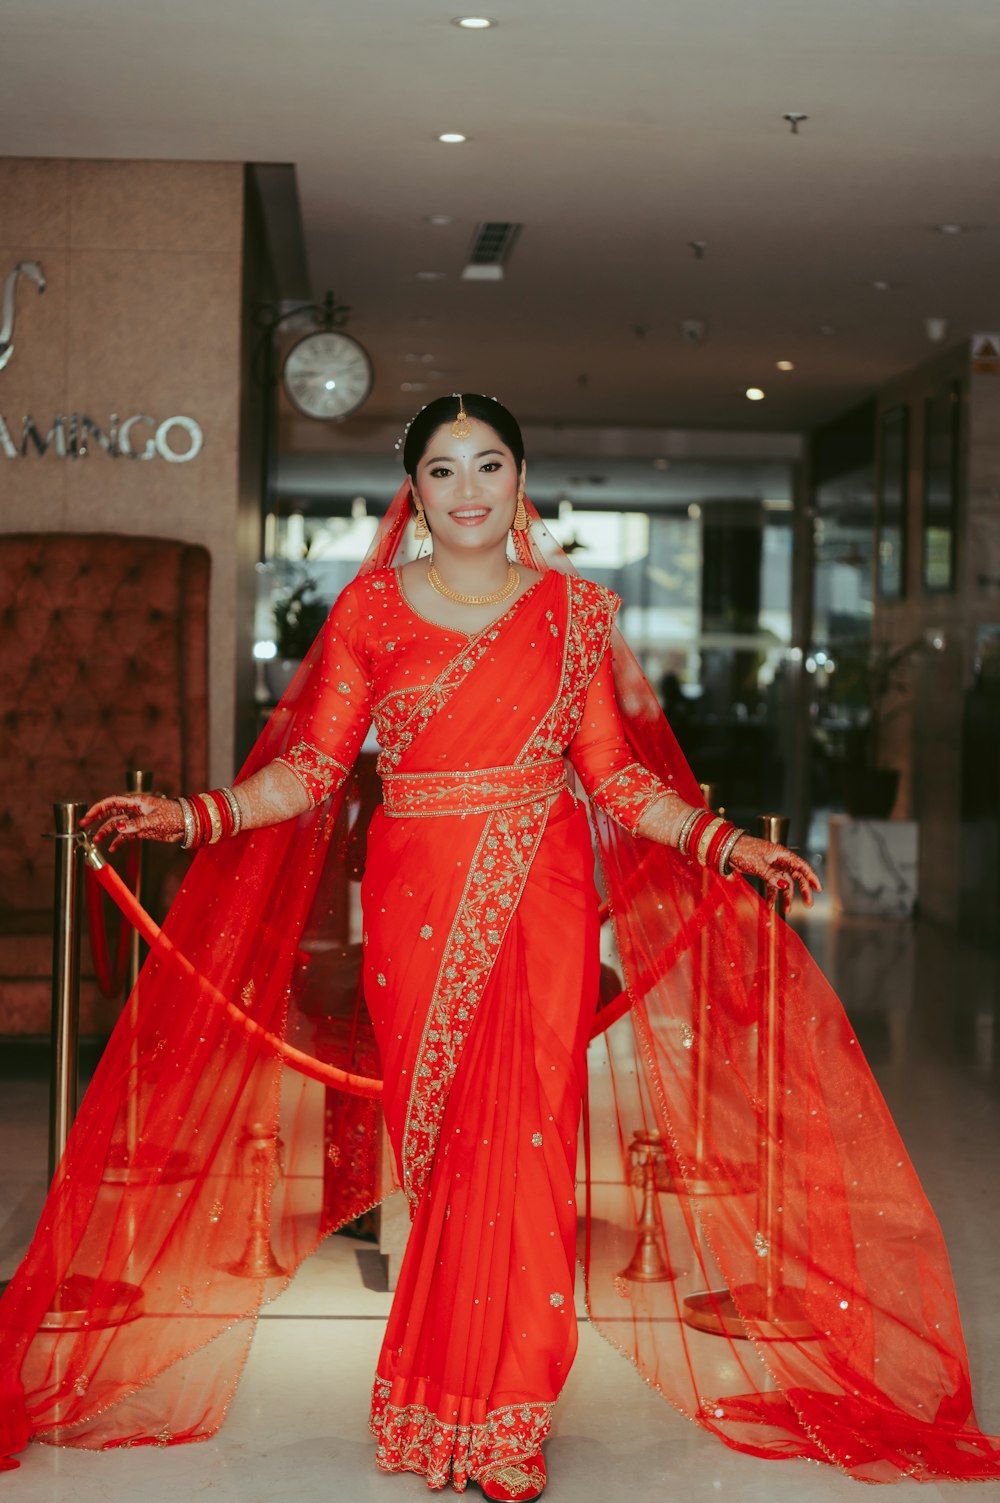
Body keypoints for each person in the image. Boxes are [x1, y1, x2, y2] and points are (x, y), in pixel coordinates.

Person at [1, 394, 998, 1493]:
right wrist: (195, 817)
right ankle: (436, 1399)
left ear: (520, 480)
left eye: (488, 465)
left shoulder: (576, 613)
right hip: (413, 895)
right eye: (442, 469)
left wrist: (723, 845)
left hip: (543, 889)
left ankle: (509, 1413)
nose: (467, 489)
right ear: (413, 490)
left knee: (525, 1145)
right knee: (441, 1153)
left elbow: (616, 778)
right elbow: (315, 772)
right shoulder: (371, 611)